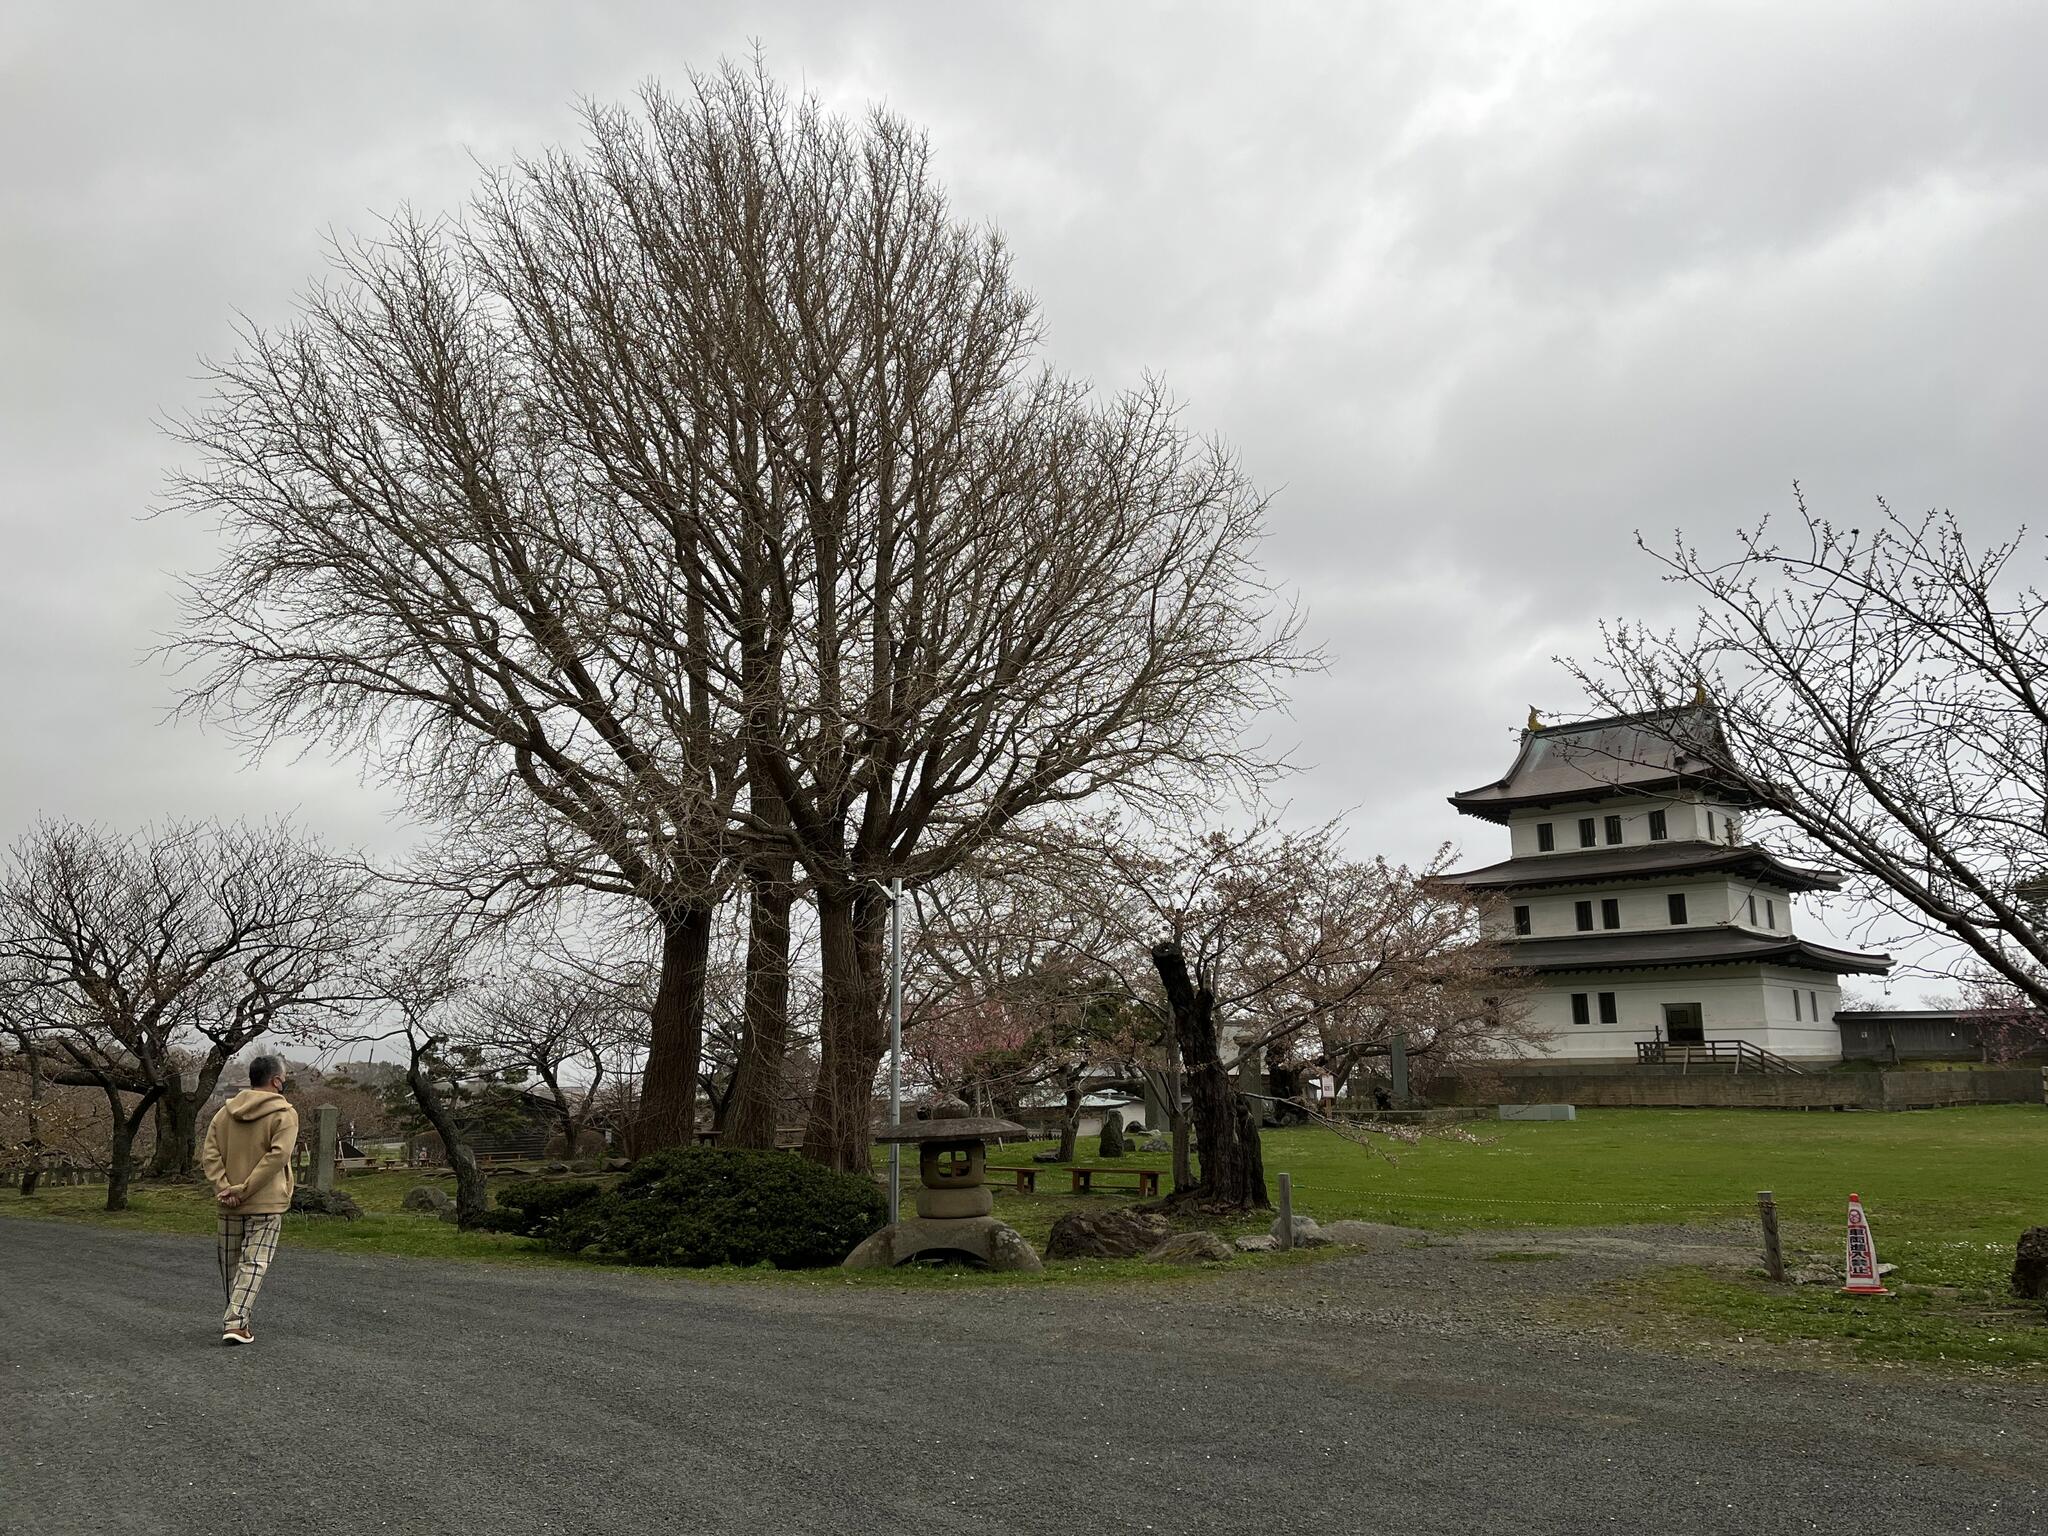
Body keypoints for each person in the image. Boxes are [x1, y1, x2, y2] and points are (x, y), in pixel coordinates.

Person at [199, 1055, 300, 1346]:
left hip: (227, 1201)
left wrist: (226, 1188)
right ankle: (236, 1322)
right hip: (266, 1202)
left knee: (230, 1263)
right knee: (254, 1262)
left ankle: (237, 1317)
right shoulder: (284, 1114)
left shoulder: (223, 1114)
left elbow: (210, 1154)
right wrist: (244, 1189)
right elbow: (277, 1156)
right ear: (276, 1080)